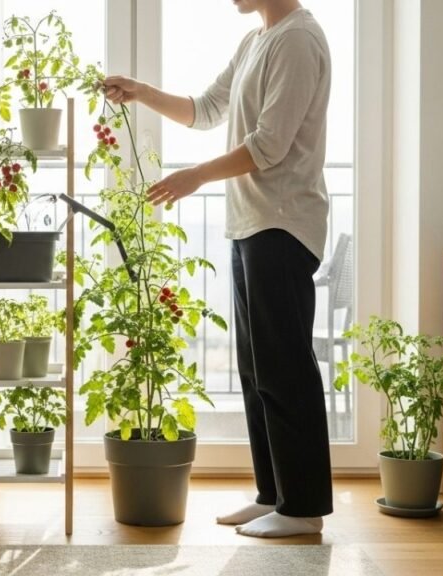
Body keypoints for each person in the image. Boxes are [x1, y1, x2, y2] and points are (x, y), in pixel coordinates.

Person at [104, 0, 333, 538]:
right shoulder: (257, 40)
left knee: (286, 369)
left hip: (283, 222)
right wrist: (141, 91)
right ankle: (275, 494)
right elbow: (206, 109)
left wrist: (195, 177)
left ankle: (304, 510)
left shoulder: (298, 39)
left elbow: (270, 146)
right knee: (257, 371)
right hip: (251, 223)